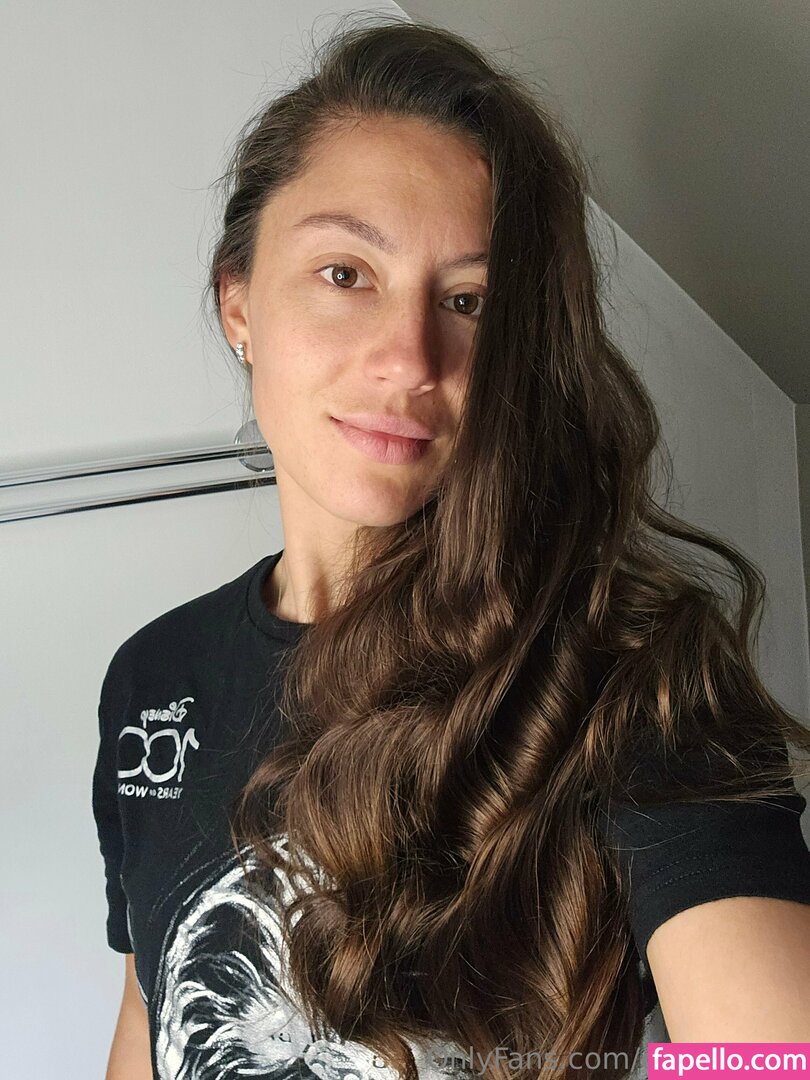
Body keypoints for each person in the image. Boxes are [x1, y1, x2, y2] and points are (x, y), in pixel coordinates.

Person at [92, 14, 810, 1080]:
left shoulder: (629, 667)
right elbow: (150, 1013)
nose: (409, 358)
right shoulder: (153, 678)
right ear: (237, 300)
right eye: (346, 274)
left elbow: (770, 1056)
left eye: (469, 300)